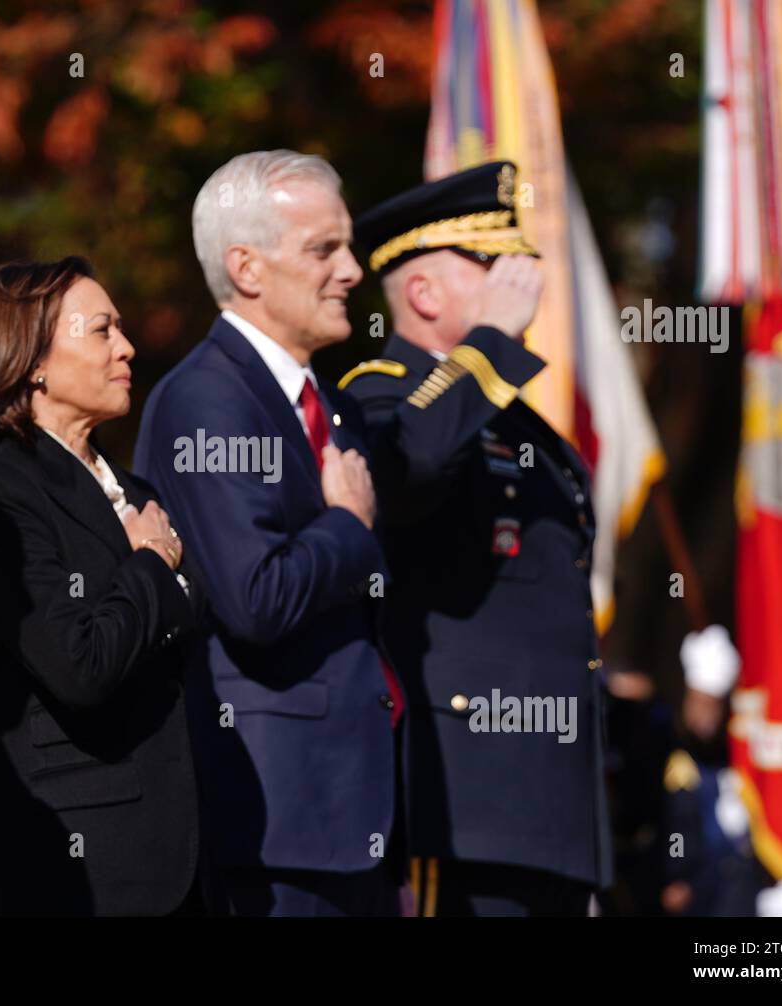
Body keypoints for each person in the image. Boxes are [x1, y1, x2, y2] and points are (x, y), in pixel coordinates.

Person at [134, 150, 402, 916]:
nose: (352, 270)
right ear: (246, 268)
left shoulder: (325, 400)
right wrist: (349, 526)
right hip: (276, 820)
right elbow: (256, 598)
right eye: (325, 249)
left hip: (351, 812)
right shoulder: (205, 400)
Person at [340, 160, 612, 915]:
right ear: (422, 292)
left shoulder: (518, 421)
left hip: (550, 806)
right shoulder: (377, 392)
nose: (520, 278)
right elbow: (411, 467)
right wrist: (491, 338)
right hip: (461, 796)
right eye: (491, 263)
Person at [0, 258, 203, 916]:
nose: (127, 347)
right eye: (103, 330)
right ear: (34, 360)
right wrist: (150, 564)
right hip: (76, 865)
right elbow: (77, 665)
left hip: (177, 855)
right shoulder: (0, 492)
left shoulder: (135, 492)